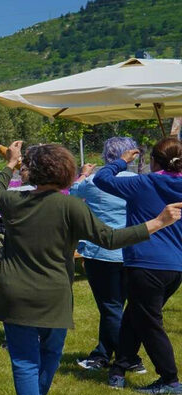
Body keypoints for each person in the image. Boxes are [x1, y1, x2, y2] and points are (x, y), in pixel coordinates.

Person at [0, 141, 179, 395]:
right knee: (50, 352)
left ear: (32, 172)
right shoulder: (72, 206)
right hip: (55, 294)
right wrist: (157, 222)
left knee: (25, 359)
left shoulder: (13, 202)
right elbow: (110, 239)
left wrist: (10, 163)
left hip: (16, 293)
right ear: (66, 171)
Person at [94, 137, 182, 395]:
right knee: (135, 317)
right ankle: (119, 370)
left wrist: (122, 161)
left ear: (153, 161)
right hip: (175, 267)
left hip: (145, 263)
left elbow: (101, 180)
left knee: (148, 323)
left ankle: (170, 380)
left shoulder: (142, 183)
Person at [68, 137, 145, 373]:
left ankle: (129, 358)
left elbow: (72, 192)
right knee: (119, 308)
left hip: (102, 253)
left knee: (110, 307)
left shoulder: (93, 182)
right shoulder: (141, 181)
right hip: (134, 251)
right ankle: (102, 354)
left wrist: (82, 173)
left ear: (106, 156)